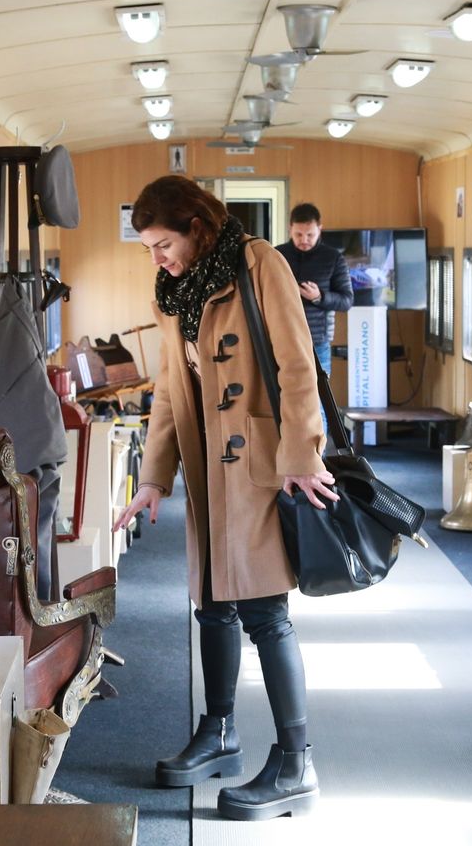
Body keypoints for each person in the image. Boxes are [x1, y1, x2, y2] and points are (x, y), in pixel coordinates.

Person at [116, 175, 335, 822]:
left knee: (265, 613)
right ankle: (219, 732)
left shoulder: (258, 263)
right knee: (211, 605)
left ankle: (296, 764)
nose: (156, 257)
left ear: (196, 227)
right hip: (208, 474)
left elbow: (297, 367)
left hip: (261, 467)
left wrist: (301, 455)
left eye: (162, 243)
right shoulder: (173, 291)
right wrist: (154, 476)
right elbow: (169, 389)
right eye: (149, 247)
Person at [274, 203, 352, 374]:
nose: (304, 240)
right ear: (290, 229)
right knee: (281, 396)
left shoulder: (333, 258)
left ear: (320, 229)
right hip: (281, 338)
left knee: (319, 397)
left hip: (318, 342)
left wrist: (319, 297)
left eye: (310, 235)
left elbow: (346, 301)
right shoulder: (276, 256)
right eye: (298, 234)